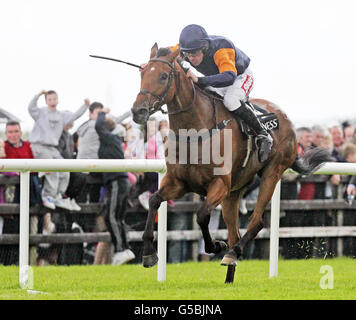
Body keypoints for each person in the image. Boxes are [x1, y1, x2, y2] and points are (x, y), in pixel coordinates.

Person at [176, 24, 273, 162]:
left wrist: (200, 80)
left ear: (204, 48)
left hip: (239, 77)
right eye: (188, 54)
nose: (191, 58)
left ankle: (263, 135)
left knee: (231, 101)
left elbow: (229, 77)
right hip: (218, 78)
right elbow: (165, 55)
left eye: (195, 54)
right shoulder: (185, 48)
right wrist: (149, 65)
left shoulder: (221, 48)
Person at [28, 90, 89, 211]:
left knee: (65, 168)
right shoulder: (40, 113)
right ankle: (47, 196)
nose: (52, 102)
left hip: (52, 148)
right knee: (52, 170)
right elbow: (31, 107)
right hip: (39, 146)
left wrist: (85, 106)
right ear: (46, 101)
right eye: (49, 99)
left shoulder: (61, 115)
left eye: (54, 99)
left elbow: (74, 116)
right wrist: (38, 95)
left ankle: (58, 195)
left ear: (57, 100)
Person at [95, 107, 135, 265]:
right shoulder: (113, 139)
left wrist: (101, 112)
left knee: (111, 217)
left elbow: (98, 126)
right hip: (120, 181)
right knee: (118, 218)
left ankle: (120, 250)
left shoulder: (109, 138)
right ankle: (124, 249)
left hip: (117, 181)